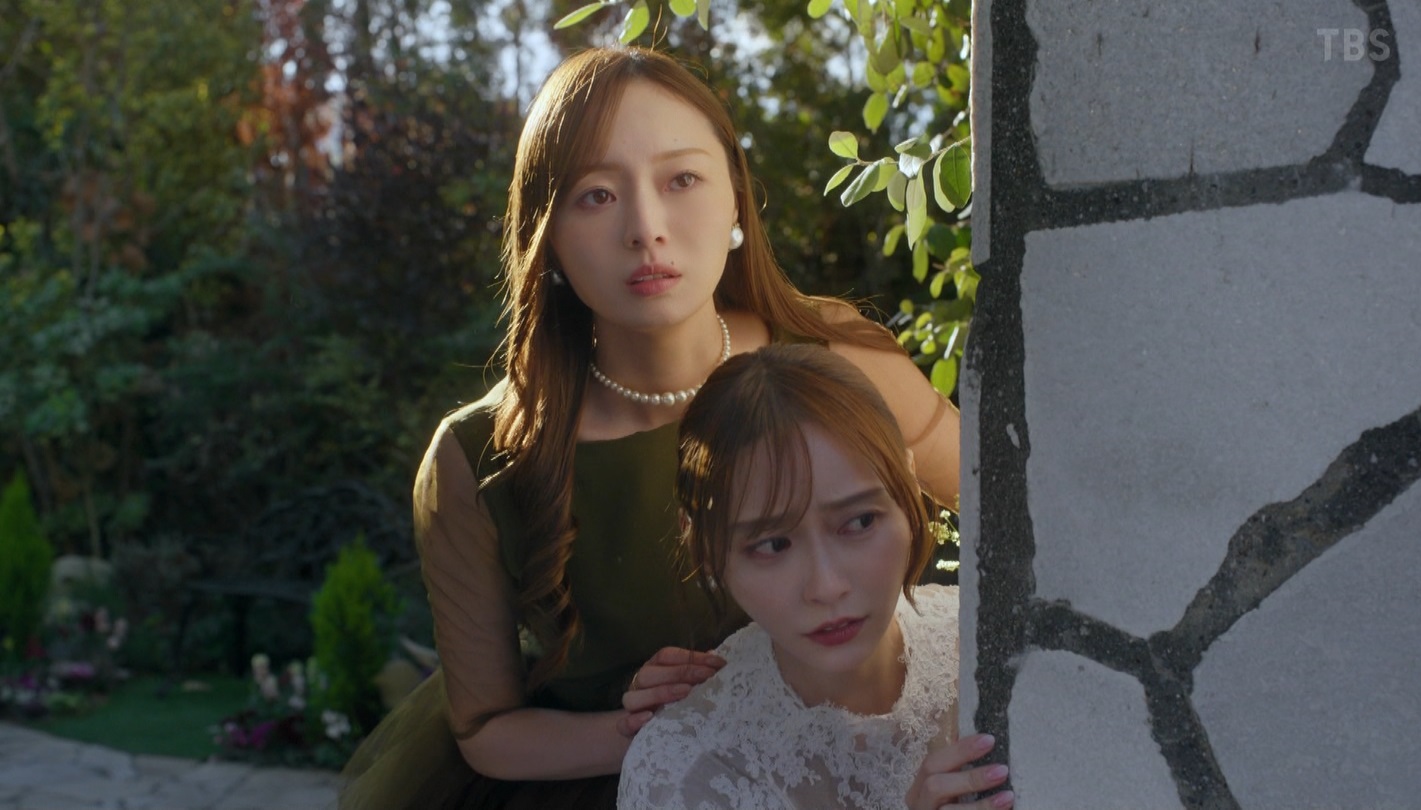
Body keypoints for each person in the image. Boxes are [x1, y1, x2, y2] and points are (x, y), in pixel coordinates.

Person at [339, 45, 960, 809]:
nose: (645, 228)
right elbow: (484, 728)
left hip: (884, 765)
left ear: (737, 199)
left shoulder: (837, 360)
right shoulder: (482, 456)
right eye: (596, 195)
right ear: (547, 233)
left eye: (681, 180)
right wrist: (658, 729)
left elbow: (1023, 522)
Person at [617, 344, 1009, 810]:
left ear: (907, 487)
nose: (827, 586)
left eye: (860, 522)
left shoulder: (992, 643)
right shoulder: (681, 772)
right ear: (704, 547)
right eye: (772, 545)